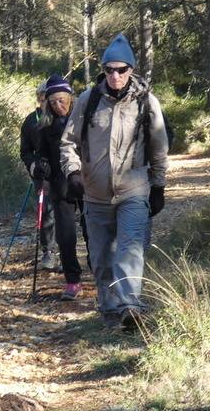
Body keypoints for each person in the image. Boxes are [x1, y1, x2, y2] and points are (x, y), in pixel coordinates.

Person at [59, 34, 168, 329]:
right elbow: (68, 142)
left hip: (134, 191)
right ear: (103, 71)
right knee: (101, 256)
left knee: (129, 250)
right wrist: (72, 173)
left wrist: (158, 186)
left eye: (121, 70)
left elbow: (159, 146)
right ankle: (109, 312)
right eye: (109, 70)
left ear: (131, 70)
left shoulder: (146, 102)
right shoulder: (88, 100)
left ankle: (130, 308)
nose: (115, 75)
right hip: (94, 194)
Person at [37, 74, 85, 300]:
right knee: (65, 236)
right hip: (60, 185)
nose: (59, 105)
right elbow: (41, 154)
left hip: (88, 183)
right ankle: (72, 280)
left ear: (70, 98)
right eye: (53, 101)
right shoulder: (45, 127)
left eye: (62, 99)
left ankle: (101, 273)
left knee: (92, 230)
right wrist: (41, 166)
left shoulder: (85, 118)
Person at [19, 81, 57, 270]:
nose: (46, 104)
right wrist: (33, 164)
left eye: (48, 100)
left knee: (66, 213)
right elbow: (24, 151)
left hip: (65, 172)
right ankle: (48, 252)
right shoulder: (31, 121)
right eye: (42, 100)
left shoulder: (65, 116)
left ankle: (69, 253)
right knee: (46, 212)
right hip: (41, 174)